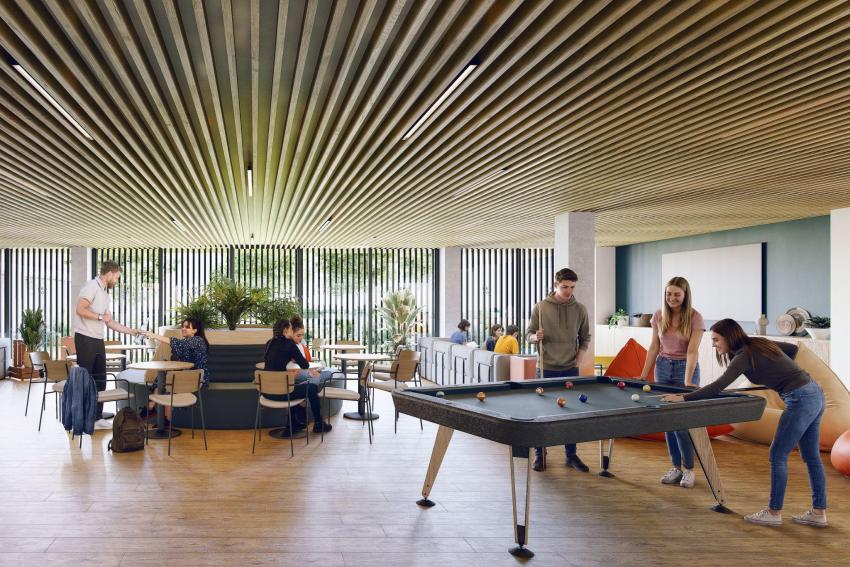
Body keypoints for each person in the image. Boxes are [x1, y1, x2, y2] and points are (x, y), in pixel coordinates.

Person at [662, 319, 828, 528]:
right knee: (811, 457)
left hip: (800, 398)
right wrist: (779, 374)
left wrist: (683, 398)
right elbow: (792, 350)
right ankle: (818, 513)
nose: (713, 345)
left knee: (777, 455)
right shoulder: (758, 343)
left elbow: (717, 386)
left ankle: (774, 512)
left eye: (716, 340)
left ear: (729, 337)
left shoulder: (744, 356)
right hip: (814, 392)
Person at [638, 276, 704, 489]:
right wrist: (643, 375)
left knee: (682, 422)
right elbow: (653, 347)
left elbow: (692, 351)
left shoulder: (695, 317)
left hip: (686, 367)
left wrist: (687, 381)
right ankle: (675, 467)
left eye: (677, 294)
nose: (672, 298)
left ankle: (689, 469)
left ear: (685, 295)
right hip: (663, 367)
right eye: (668, 294)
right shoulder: (659, 315)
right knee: (667, 422)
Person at [526, 268, 591, 472]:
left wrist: (578, 360)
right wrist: (535, 337)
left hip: (570, 368)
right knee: (542, 413)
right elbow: (528, 335)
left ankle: (571, 455)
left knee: (571, 414)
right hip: (545, 367)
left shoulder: (580, 309)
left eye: (572, 287)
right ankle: (540, 454)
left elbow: (585, 338)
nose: (568, 291)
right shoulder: (540, 307)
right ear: (556, 285)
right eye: (564, 287)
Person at [71, 260, 142, 430]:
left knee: (100, 380)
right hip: (85, 338)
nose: (116, 281)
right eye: (116, 277)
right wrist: (99, 317)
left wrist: (131, 331)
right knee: (86, 381)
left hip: (97, 340)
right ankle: (79, 420)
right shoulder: (91, 286)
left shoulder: (104, 294)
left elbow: (109, 322)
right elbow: (80, 309)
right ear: (109, 274)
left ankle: (96, 418)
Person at [263, 319, 333, 434]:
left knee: (294, 384)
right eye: (291, 328)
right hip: (282, 393)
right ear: (285, 331)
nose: (292, 330)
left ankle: (293, 424)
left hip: (266, 392)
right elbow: (305, 365)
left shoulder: (269, 343)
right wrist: (294, 355)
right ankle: (318, 424)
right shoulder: (289, 344)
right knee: (312, 388)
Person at [143, 318, 210, 422]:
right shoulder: (189, 341)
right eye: (183, 326)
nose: (183, 328)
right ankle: (164, 419)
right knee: (168, 381)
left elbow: (176, 343)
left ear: (195, 330)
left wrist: (154, 335)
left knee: (168, 381)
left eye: (187, 327)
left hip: (196, 380)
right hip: (187, 377)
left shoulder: (197, 340)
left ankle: (151, 407)